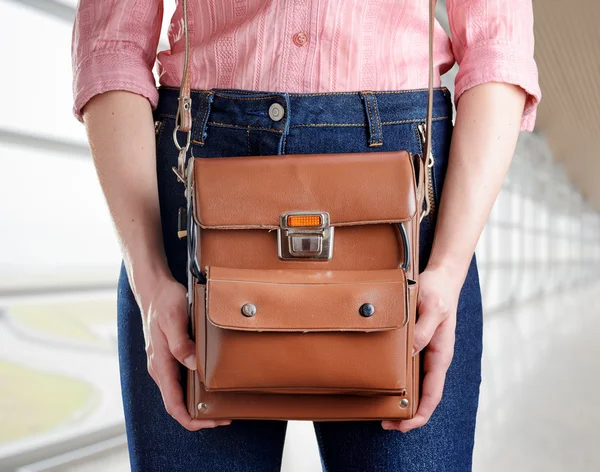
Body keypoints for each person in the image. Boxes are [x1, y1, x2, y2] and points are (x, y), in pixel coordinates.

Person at [71, 1, 540, 470]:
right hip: (200, 178)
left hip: (402, 189)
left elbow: (498, 45)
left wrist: (449, 265)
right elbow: (112, 46)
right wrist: (150, 277)